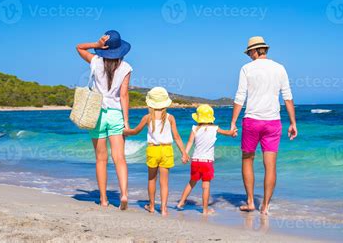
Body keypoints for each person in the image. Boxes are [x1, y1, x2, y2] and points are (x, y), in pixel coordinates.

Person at [230, 36, 297, 215]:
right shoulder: (280, 68)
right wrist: (293, 122)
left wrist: (233, 122)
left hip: (252, 121)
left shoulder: (246, 69)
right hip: (273, 123)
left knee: (247, 160)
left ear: (254, 50)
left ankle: (251, 201)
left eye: (249, 52)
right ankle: (265, 206)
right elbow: (288, 97)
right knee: (271, 165)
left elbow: (240, 96)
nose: (249, 56)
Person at [76, 30, 132, 210]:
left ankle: (103, 199)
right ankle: (123, 194)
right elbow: (124, 95)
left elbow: (78, 47)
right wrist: (126, 121)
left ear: (105, 47)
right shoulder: (126, 68)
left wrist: (96, 45)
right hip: (116, 114)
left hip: (97, 112)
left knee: (101, 159)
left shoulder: (95, 62)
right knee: (120, 158)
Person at [124, 87, 189, 216]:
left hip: (153, 150)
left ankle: (152, 206)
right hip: (166, 150)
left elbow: (135, 131)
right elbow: (176, 137)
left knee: (151, 179)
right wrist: (184, 153)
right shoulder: (170, 118)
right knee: (164, 182)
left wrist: (126, 132)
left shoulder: (148, 117)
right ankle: (164, 209)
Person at [176, 104, 237, 215]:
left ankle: (181, 202)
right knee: (206, 186)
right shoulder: (214, 128)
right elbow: (227, 133)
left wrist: (185, 154)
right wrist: (233, 132)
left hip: (195, 161)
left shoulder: (194, 128)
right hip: (207, 163)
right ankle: (204, 210)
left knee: (191, 182)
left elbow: (190, 142)